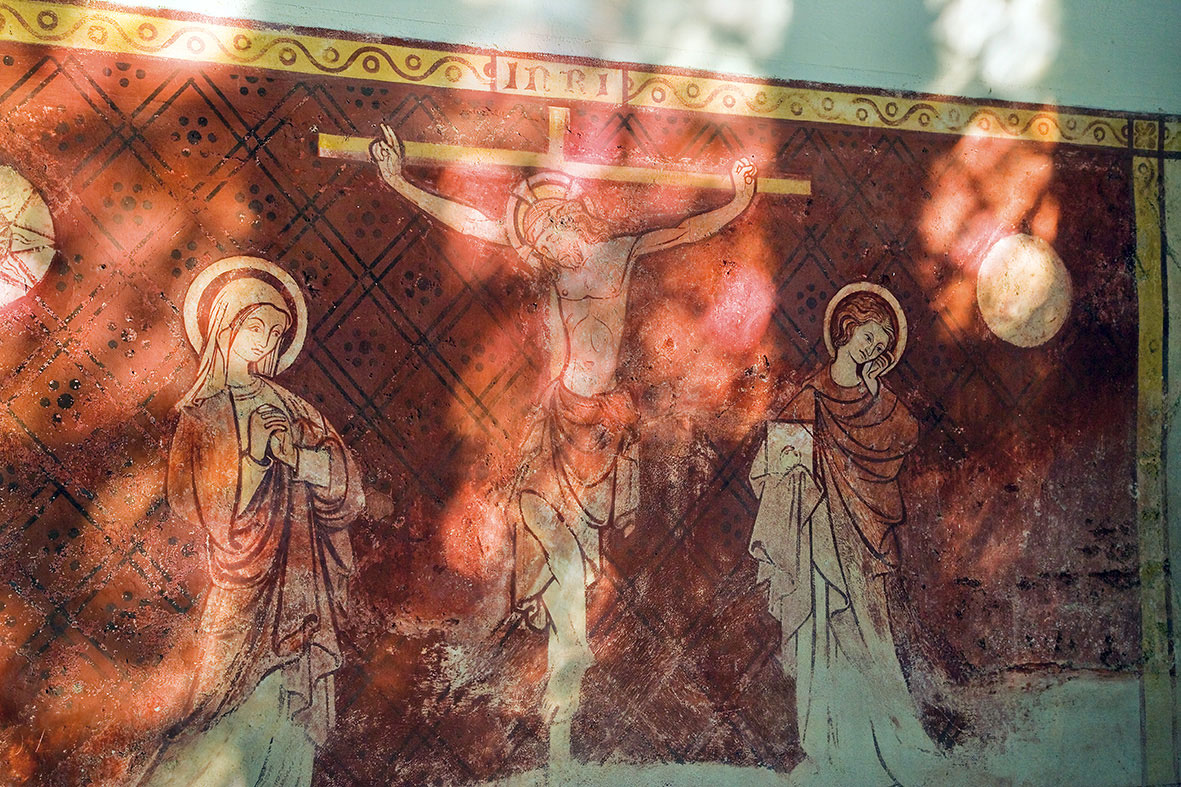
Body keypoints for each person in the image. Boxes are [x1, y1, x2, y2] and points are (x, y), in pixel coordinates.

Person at [371, 124, 757, 767]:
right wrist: (400, 184)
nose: (549, 244)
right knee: (565, 564)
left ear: (572, 217)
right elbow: (473, 222)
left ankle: (560, 707)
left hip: (604, 435)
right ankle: (558, 689)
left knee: (577, 581)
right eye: (538, 240)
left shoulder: (619, 253)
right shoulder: (547, 269)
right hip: (554, 429)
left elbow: (685, 232)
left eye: (554, 228)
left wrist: (739, 204)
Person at [139, 259, 364, 787]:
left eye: (275, 334)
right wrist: (256, 459)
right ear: (225, 327)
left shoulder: (296, 408)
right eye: (254, 328)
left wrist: (300, 460)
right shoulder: (201, 416)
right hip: (237, 588)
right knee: (216, 705)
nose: (264, 343)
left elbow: (348, 489)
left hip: (299, 590)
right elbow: (190, 513)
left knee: (287, 719)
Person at [748, 283, 954, 785]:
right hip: (818, 540)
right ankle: (827, 743)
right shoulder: (809, 396)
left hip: (862, 543)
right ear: (845, 331)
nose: (872, 349)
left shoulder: (878, 400)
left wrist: (876, 387)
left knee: (870, 635)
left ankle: (886, 734)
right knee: (821, 636)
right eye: (868, 336)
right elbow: (775, 468)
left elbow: (904, 434)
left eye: (881, 344)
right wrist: (795, 477)